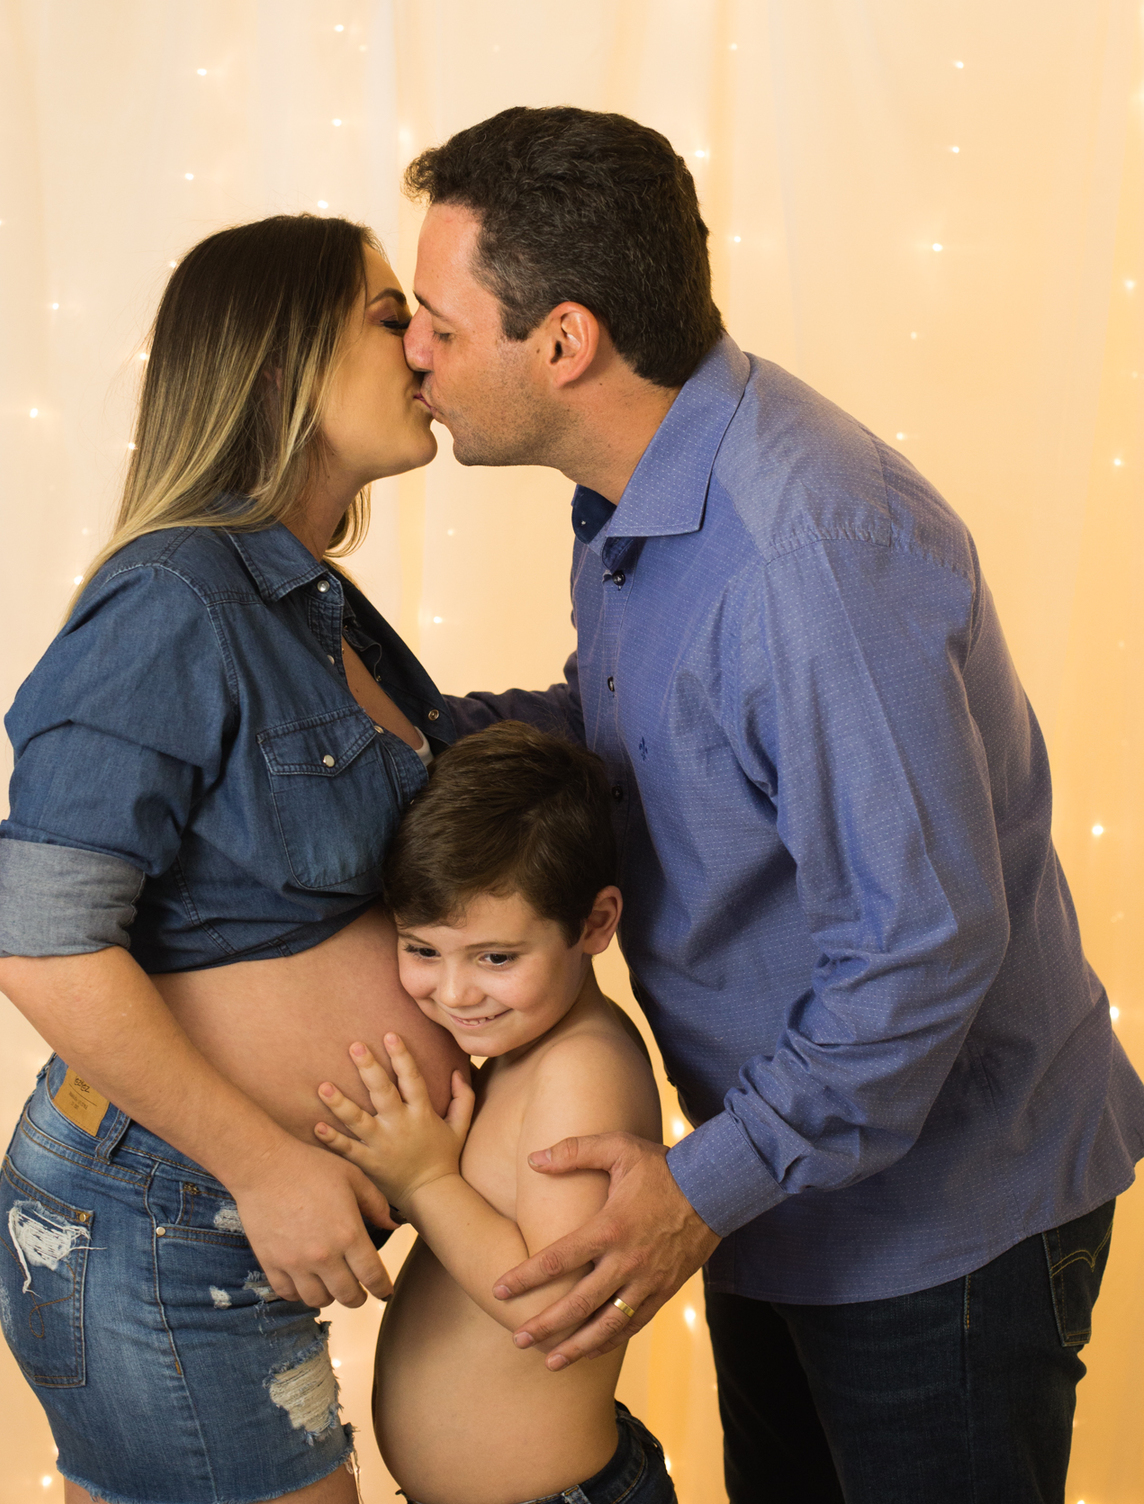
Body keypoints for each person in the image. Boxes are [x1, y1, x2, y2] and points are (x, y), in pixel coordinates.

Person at [396, 105, 1144, 1504]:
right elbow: (646, 732)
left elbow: (922, 947)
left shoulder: (809, 556)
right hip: (785, 1188)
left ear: (564, 343)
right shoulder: (642, 492)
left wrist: (699, 1191)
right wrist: (394, 727)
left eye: (439, 323)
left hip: (938, 1230)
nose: (413, 352)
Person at [0, 214, 467, 1504]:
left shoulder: (307, 602)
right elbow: (41, 945)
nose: (424, 345)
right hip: (163, 1222)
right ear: (281, 360)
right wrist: (266, 1163)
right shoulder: (174, 597)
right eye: (389, 315)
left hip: (220, 1225)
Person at [313, 719, 675, 1504]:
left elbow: (557, 1307)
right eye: (422, 949)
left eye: (496, 957)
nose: (453, 992)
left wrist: (425, 1181)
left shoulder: (581, 1070)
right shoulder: (523, 1047)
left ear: (595, 923)